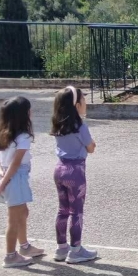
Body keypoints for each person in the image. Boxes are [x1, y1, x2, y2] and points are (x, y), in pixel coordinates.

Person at [0, 96, 45, 268]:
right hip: (15, 177)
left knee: (23, 213)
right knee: (14, 219)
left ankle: (24, 247)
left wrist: (1, 176)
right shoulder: (23, 136)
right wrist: (5, 180)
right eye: (29, 110)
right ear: (23, 115)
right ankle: (10, 256)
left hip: (7, 176)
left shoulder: (4, 132)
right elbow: (16, 162)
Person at [50, 86, 99, 263]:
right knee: (76, 211)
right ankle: (76, 249)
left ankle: (61, 248)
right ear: (77, 105)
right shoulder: (80, 126)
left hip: (59, 169)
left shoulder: (58, 124)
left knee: (62, 210)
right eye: (84, 100)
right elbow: (90, 148)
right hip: (76, 171)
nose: (86, 103)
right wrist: (93, 143)